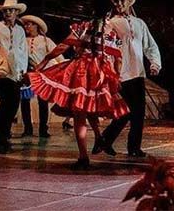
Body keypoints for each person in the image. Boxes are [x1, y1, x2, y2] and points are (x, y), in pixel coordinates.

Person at [29, 16, 129, 169]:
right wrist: (116, 75)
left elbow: (63, 46)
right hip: (101, 71)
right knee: (90, 106)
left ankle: (84, 156)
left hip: (82, 70)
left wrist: (44, 62)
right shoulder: (111, 30)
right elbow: (117, 57)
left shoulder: (84, 27)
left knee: (80, 111)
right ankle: (97, 136)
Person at [101, 0, 162, 158]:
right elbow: (108, 48)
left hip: (138, 72)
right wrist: (111, 73)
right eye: (117, 0)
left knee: (139, 112)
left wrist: (154, 64)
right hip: (122, 73)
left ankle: (131, 147)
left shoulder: (139, 23)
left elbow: (150, 45)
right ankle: (105, 139)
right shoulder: (110, 23)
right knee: (125, 111)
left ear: (129, 2)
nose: (119, 2)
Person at [0, 0, 29, 154]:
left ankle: (1, 132)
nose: (8, 13)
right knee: (8, 101)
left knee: (13, 103)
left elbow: (23, 50)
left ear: (16, 12)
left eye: (11, 10)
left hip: (16, 70)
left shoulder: (20, 30)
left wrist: (23, 71)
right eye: (5, 10)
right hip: (1, 69)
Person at [19, 15, 64, 138]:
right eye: (26, 24)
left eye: (29, 24)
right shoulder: (22, 41)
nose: (27, 26)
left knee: (42, 102)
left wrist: (62, 68)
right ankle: (27, 128)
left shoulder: (45, 40)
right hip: (28, 73)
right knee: (25, 100)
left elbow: (57, 55)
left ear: (36, 26)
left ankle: (43, 129)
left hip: (43, 74)